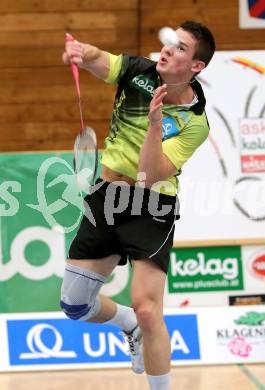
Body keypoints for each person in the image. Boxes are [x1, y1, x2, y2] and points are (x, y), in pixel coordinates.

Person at [61, 20, 215, 390]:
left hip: (152, 205)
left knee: (149, 310)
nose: (167, 50)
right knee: (75, 306)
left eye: (180, 48)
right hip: (107, 196)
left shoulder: (194, 122)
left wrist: (154, 126)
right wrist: (82, 52)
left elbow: (151, 176)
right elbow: (102, 60)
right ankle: (127, 324)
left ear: (196, 67)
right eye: (169, 42)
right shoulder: (137, 72)